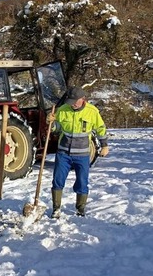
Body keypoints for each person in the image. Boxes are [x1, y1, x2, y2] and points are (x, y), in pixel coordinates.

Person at [47, 87, 109, 218]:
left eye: (75, 101)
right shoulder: (63, 110)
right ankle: (56, 209)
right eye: (70, 101)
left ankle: (80, 209)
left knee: (82, 181)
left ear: (83, 99)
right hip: (63, 153)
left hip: (82, 154)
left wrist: (104, 145)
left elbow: (100, 129)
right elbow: (56, 129)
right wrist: (51, 123)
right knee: (58, 180)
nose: (72, 104)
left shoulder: (92, 112)